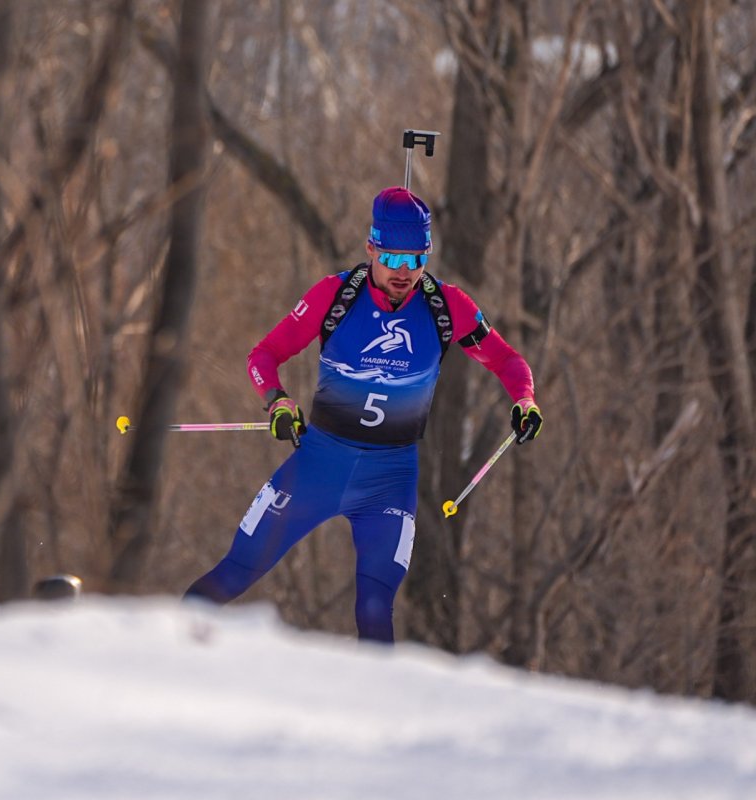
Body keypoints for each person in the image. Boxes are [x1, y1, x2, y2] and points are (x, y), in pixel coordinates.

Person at [184, 186, 542, 643]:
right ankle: (151, 661)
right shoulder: (335, 296)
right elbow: (264, 354)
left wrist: (524, 399)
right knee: (235, 572)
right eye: (393, 258)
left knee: (375, 608)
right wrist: (277, 400)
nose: (404, 273)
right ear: (371, 247)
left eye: (416, 260)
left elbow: (508, 361)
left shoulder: (446, 307)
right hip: (318, 467)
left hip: (389, 481)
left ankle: (378, 712)